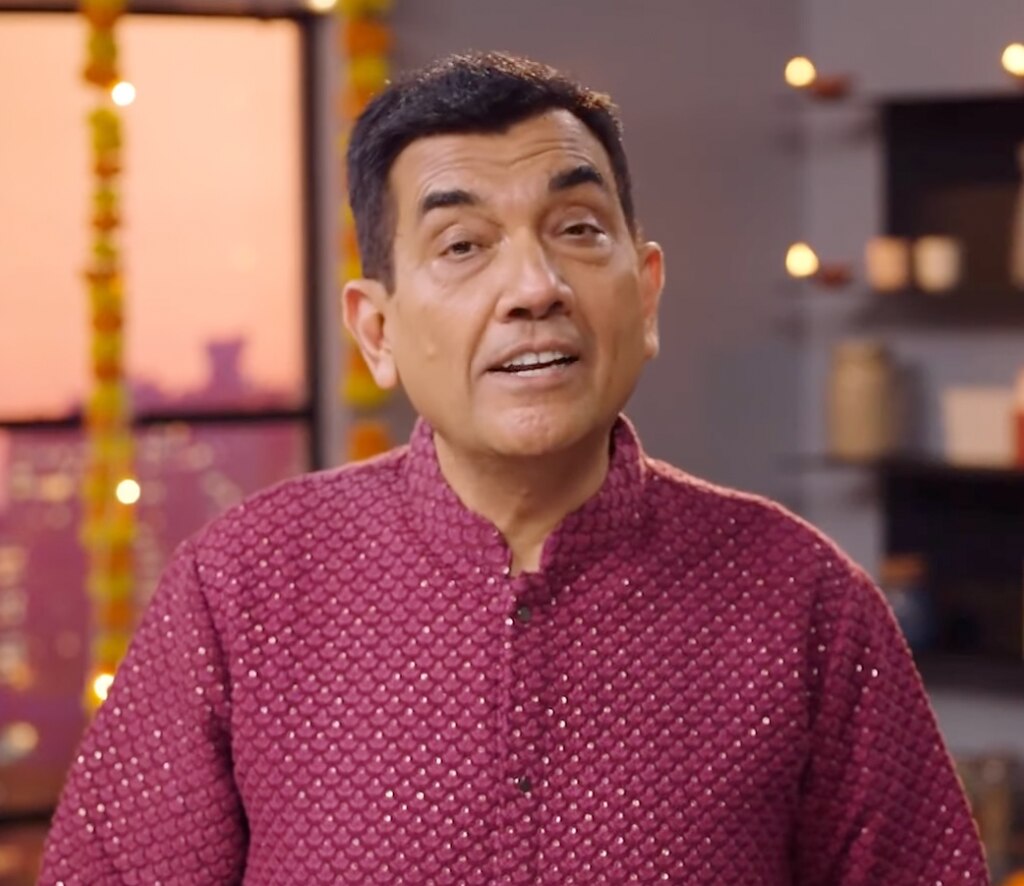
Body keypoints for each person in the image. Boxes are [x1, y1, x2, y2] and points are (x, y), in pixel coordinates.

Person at [41, 51, 987, 885]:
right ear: (377, 331)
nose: (535, 288)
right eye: (463, 245)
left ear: (646, 293)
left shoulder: (806, 602)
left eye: (578, 229)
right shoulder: (240, 589)